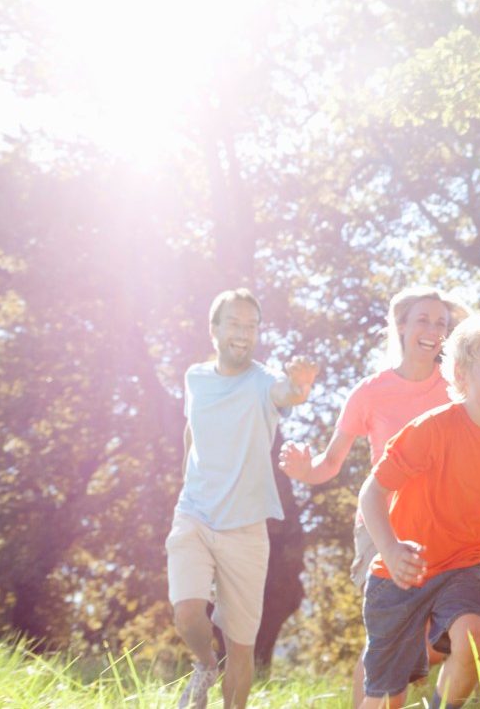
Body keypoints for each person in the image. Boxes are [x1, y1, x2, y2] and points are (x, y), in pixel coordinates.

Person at [279, 286, 469, 707]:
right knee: (389, 635)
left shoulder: (457, 389)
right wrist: (302, 471)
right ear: (400, 326)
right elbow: (330, 463)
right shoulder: (370, 392)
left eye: (441, 323)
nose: (433, 330)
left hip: (439, 530)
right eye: (423, 319)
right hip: (380, 527)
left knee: (428, 641)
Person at [356, 311, 480, 709]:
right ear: (461, 373)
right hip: (400, 574)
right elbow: (371, 493)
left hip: (462, 568)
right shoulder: (430, 430)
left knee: (477, 636)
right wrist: (390, 549)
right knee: (387, 698)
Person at [167, 288, 318, 709]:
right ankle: (203, 664)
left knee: (241, 646)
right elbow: (190, 431)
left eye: (251, 326)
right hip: (194, 513)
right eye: (234, 323)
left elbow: (287, 393)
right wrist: (186, 483)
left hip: (246, 527)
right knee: (187, 613)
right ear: (213, 329)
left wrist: (300, 385)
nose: (244, 333)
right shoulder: (195, 377)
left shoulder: (263, 381)